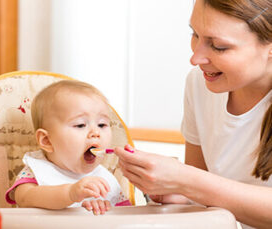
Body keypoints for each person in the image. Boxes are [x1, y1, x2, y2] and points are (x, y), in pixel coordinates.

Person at [114, 0, 272, 228]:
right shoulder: (201, 84)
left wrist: (186, 180)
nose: (195, 58)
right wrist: (174, 191)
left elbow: (198, 182)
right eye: (195, 34)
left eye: (218, 46)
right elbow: (204, 193)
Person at [5, 80, 130, 215]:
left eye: (102, 124)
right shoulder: (37, 171)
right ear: (47, 141)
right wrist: (70, 193)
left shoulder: (105, 178)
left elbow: (126, 218)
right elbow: (24, 198)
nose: (96, 133)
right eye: (80, 125)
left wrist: (106, 210)